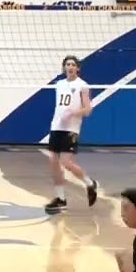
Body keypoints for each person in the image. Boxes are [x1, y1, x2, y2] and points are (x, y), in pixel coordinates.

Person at [44, 56, 99, 214]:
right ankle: (60, 199)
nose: (70, 67)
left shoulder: (83, 86)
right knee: (53, 161)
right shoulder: (59, 84)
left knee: (66, 162)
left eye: (73, 64)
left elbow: (88, 110)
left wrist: (74, 112)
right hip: (56, 126)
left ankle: (90, 183)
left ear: (78, 68)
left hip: (71, 128)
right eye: (67, 64)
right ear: (64, 68)